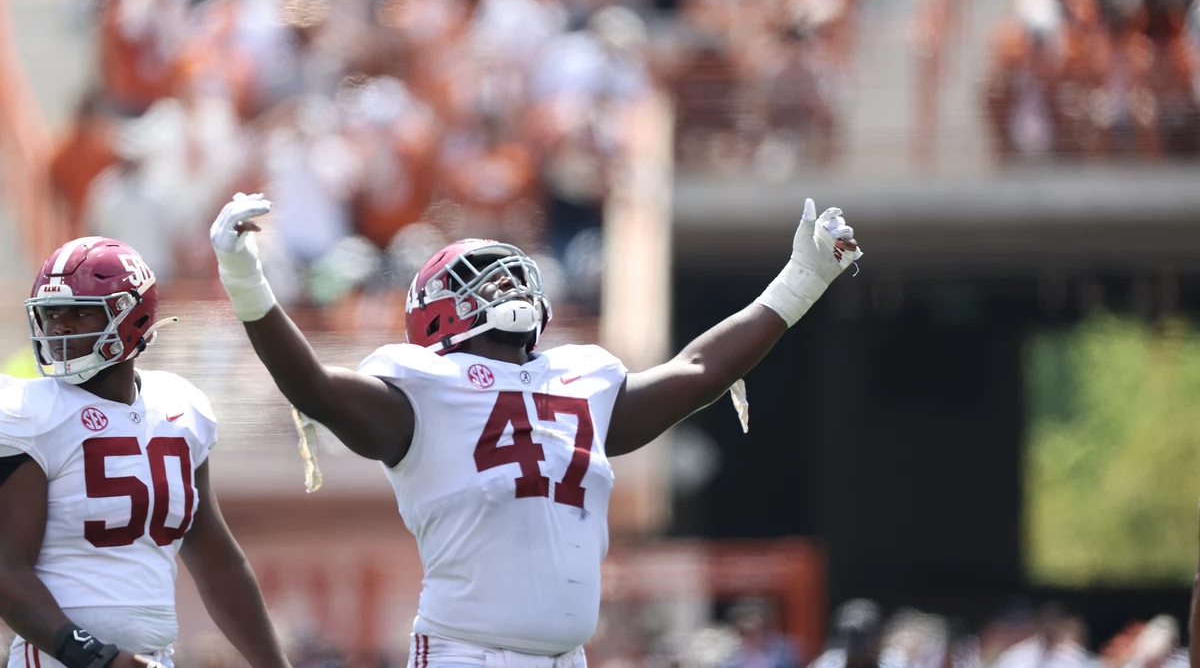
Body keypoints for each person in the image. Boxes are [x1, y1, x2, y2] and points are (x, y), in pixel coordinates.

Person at [208, 191, 861, 668]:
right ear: (435, 319)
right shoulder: (419, 391)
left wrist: (802, 277)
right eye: (474, 279)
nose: (502, 281)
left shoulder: (581, 381)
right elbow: (314, 387)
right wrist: (245, 277)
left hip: (566, 657)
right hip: (467, 656)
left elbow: (697, 369)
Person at [0, 237, 291, 668]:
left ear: (132, 315)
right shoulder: (27, 411)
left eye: (80, 311)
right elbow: (5, 570)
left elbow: (218, 562)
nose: (60, 327)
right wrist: (95, 657)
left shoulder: (179, 405)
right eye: (51, 313)